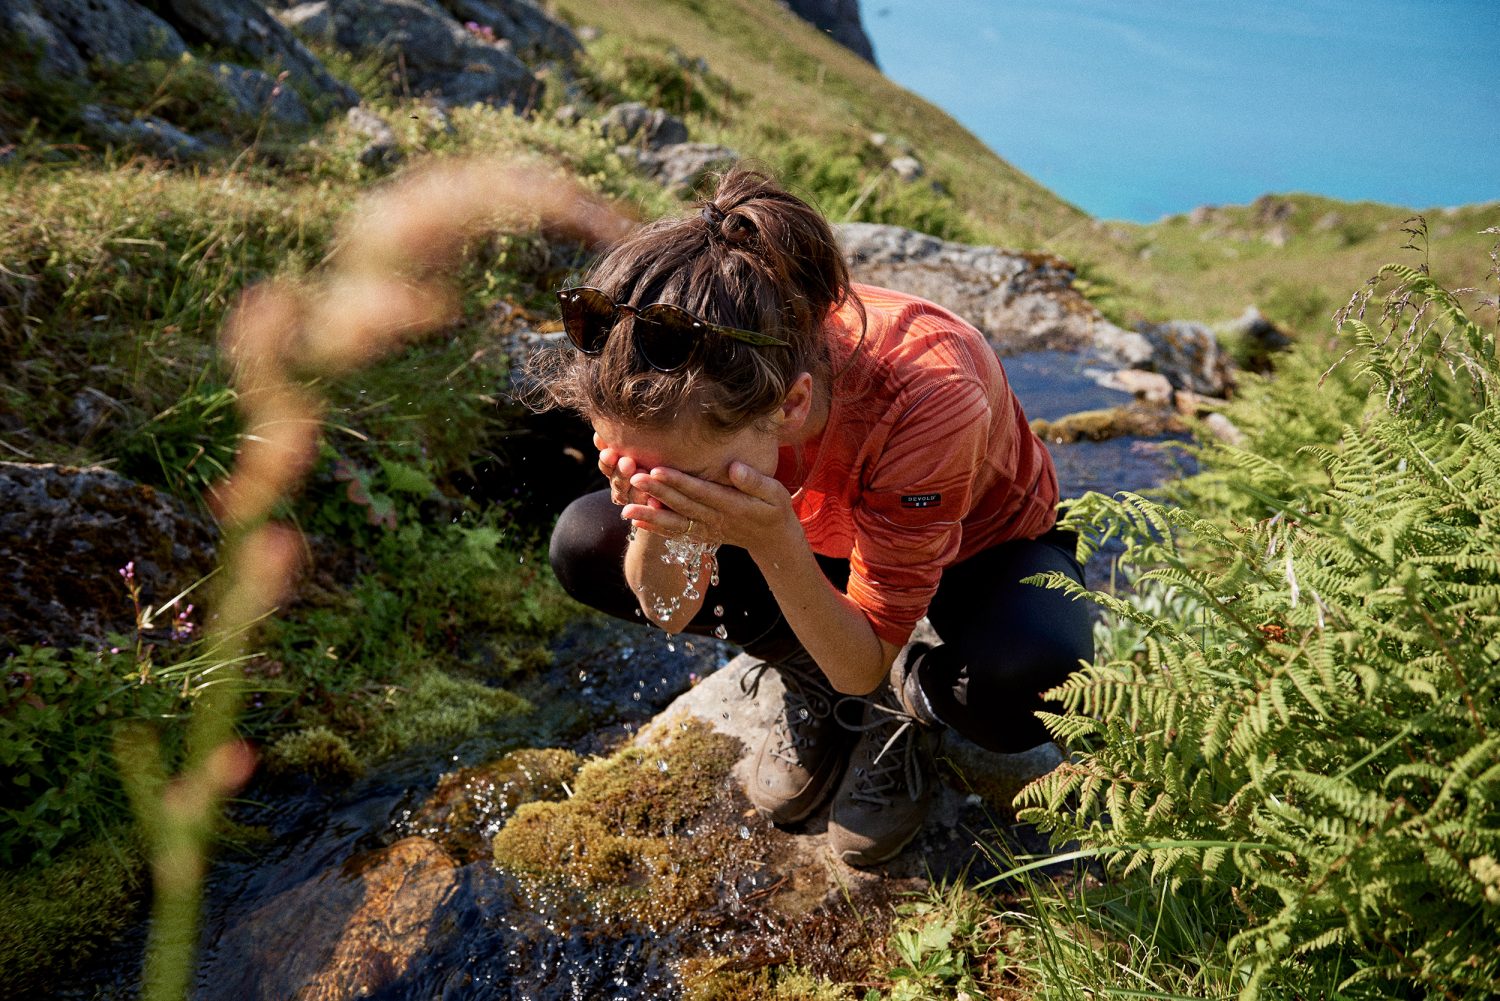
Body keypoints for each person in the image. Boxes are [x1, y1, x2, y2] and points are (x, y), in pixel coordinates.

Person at [530, 166, 1093, 866]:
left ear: (790, 405)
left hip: (976, 550)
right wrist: (656, 514)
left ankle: (907, 698)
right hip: (808, 527)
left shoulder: (929, 391)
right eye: (641, 463)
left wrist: (778, 547)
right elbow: (669, 609)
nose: (667, 487)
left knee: (1031, 681)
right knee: (586, 542)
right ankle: (808, 674)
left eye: (686, 474)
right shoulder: (691, 400)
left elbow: (859, 661)